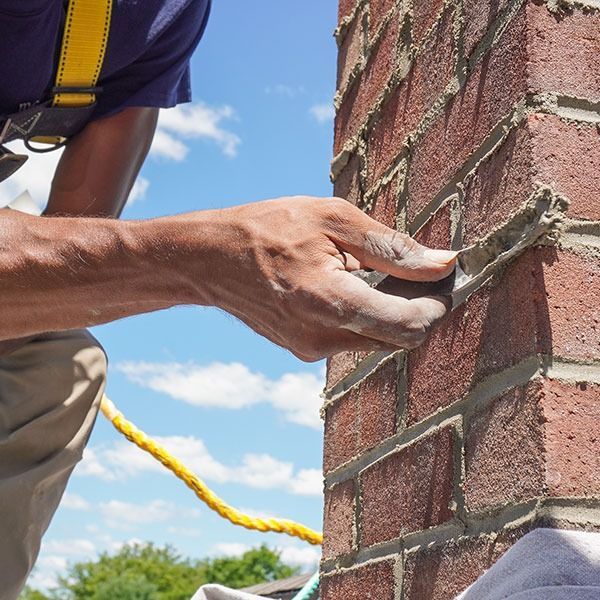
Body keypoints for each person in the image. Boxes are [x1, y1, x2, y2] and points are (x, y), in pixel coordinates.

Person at [0, 1, 456, 598]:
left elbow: (62, 275)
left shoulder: (165, 14)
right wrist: (203, 260)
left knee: (54, 361)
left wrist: (199, 264)